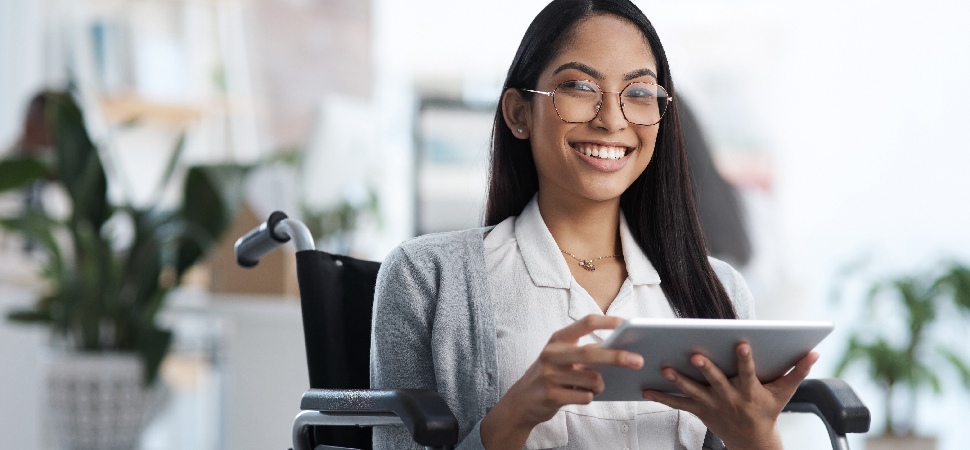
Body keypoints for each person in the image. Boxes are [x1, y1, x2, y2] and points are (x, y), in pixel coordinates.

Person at [370, 1, 818, 449]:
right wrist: (513, 416)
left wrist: (757, 437)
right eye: (580, 86)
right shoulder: (426, 276)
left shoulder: (719, 289)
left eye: (639, 92)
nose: (611, 119)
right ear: (518, 114)